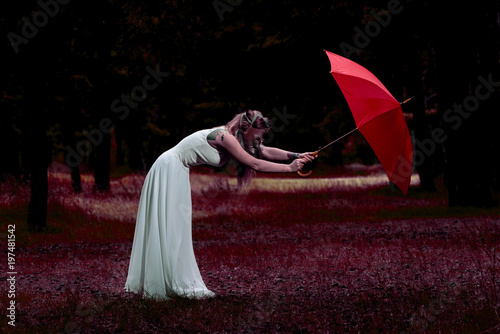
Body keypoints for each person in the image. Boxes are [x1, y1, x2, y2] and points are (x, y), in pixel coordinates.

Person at [124, 109, 315, 299]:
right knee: (170, 225)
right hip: (169, 167)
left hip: (177, 169)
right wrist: (289, 168)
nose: (259, 142)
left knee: (175, 226)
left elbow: (264, 152)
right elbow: (255, 163)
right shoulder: (226, 137)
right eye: (257, 138)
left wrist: (296, 155)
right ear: (246, 129)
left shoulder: (237, 138)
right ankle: (161, 282)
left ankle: (167, 278)